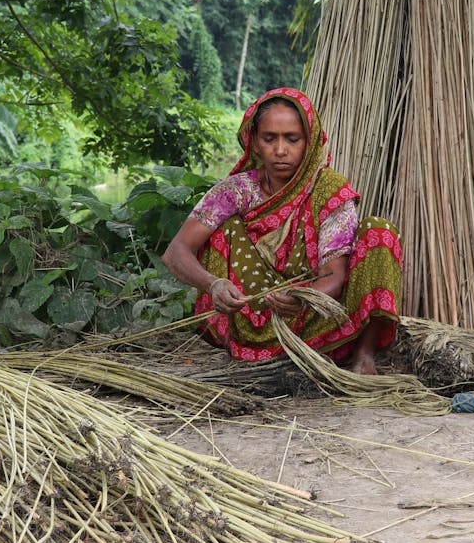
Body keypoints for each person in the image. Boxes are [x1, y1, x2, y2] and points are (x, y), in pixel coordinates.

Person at [161, 88, 402, 375]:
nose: (280, 150)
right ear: (254, 142)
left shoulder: (328, 190)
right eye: (269, 138)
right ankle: (248, 346)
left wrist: (301, 298)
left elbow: (334, 276)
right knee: (223, 230)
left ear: (309, 142)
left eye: (292, 138)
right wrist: (212, 284)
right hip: (251, 313)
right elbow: (175, 252)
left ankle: (364, 355)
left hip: (316, 317)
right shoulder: (237, 190)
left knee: (378, 231)